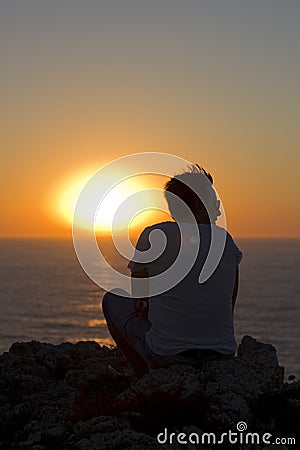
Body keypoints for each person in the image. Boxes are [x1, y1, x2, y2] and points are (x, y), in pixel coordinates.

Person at [102, 165, 242, 377]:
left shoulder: (155, 235)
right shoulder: (226, 241)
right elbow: (230, 301)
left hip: (168, 356)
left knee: (112, 299)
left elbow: (139, 300)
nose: (219, 211)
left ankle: (144, 377)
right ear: (197, 204)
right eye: (214, 204)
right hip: (221, 355)